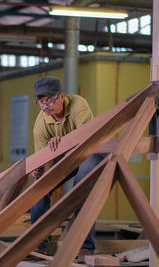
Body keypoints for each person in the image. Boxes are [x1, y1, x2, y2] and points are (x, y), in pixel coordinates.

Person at [31, 76, 106, 261]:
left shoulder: (78, 105)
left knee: (81, 190)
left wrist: (62, 143)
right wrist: (41, 172)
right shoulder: (41, 124)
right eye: (41, 102)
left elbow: (86, 140)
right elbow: (45, 160)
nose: (45, 106)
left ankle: (86, 247)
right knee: (39, 189)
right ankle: (38, 245)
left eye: (49, 100)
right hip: (64, 155)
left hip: (91, 151)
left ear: (62, 96)